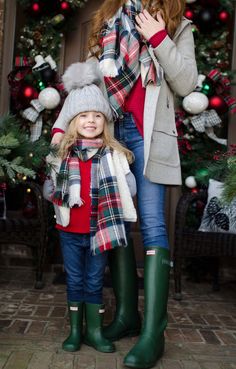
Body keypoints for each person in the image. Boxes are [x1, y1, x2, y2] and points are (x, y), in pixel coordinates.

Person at [51, 1, 198, 367]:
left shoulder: (179, 26)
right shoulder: (107, 21)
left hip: (150, 138)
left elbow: (186, 82)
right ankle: (127, 317)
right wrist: (61, 124)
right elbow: (87, 83)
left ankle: (153, 333)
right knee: (113, 221)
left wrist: (158, 37)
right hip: (110, 136)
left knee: (151, 223)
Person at [44, 60, 137, 354]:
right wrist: (55, 187)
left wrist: (123, 183)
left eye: (97, 115)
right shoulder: (62, 155)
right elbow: (49, 190)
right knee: (75, 278)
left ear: (104, 122)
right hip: (70, 230)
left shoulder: (113, 154)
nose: (91, 121)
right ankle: (75, 331)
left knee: (95, 280)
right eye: (83, 115)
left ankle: (94, 333)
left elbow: (130, 187)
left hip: (101, 230)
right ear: (73, 121)